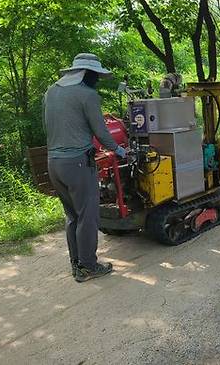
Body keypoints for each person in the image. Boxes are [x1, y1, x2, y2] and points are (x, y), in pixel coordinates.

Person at [44, 53, 127, 282]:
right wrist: (121, 151)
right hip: (78, 164)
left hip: (54, 163)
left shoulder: (51, 91)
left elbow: (49, 127)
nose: (98, 80)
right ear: (87, 74)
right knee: (88, 216)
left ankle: (77, 264)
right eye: (96, 76)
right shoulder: (87, 95)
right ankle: (89, 266)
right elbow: (102, 133)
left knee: (72, 216)